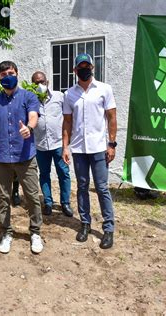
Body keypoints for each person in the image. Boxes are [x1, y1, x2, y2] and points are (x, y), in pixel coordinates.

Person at [0, 60, 43, 254]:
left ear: (16, 73)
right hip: (2, 158)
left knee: (32, 196)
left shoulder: (28, 96)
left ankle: (35, 232)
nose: (8, 76)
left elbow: (33, 115)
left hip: (25, 156)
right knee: (3, 197)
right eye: (3, 74)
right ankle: (6, 233)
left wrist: (29, 128)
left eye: (11, 72)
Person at [62, 53, 117, 249]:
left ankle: (108, 228)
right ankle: (85, 224)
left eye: (87, 66)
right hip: (78, 148)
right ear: (75, 70)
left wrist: (112, 144)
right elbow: (67, 122)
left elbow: (111, 118)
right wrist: (65, 147)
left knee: (102, 188)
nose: (84, 69)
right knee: (82, 187)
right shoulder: (69, 94)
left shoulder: (104, 89)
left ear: (92, 68)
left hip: (99, 148)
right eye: (80, 67)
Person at [31, 71, 73, 216]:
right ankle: (48, 202)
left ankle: (65, 203)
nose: (39, 85)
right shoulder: (31, 100)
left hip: (58, 144)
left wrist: (67, 143)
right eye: (36, 83)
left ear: (47, 82)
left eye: (41, 81)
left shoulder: (59, 97)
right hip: (40, 145)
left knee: (64, 173)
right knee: (44, 174)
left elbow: (68, 118)